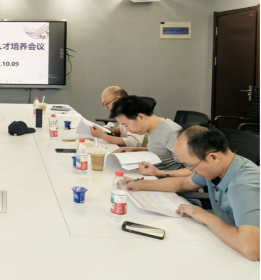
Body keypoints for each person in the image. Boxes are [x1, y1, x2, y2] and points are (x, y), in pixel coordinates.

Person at [126, 126, 260, 261]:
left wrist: (205, 216)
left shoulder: (244, 187)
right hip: (227, 241)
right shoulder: (222, 165)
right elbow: (184, 183)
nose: (191, 171)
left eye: (190, 166)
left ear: (213, 157)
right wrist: (139, 184)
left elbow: (251, 249)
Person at [110, 96, 187, 173]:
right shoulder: (153, 127)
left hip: (166, 177)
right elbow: (161, 150)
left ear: (140, 117)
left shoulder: (171, 133)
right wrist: (133, 149)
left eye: (126, 125)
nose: (127, 130)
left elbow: (192, 171)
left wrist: (161, 173)